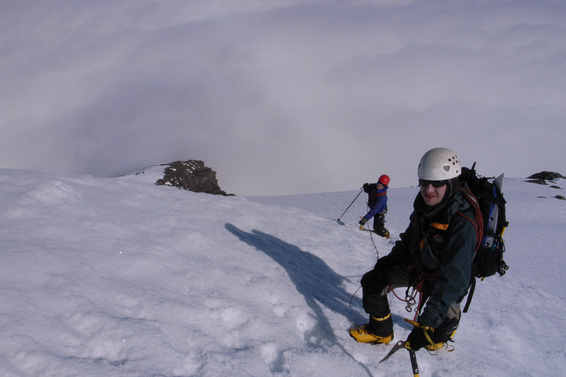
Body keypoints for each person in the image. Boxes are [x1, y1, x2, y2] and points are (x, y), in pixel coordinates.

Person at [349, 147, 478, 352]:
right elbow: (411, 238)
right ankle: (380, 332)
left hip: (446, 280)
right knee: (373, 281)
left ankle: (446, 330)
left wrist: (426, 323)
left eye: (436, 183)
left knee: (436, 326)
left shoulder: (463, 223)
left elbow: (455, 278)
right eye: (423, 182)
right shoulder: (423, 205)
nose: (428, 189)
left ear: (450, 183)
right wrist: (390, 261)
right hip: (419, 267)